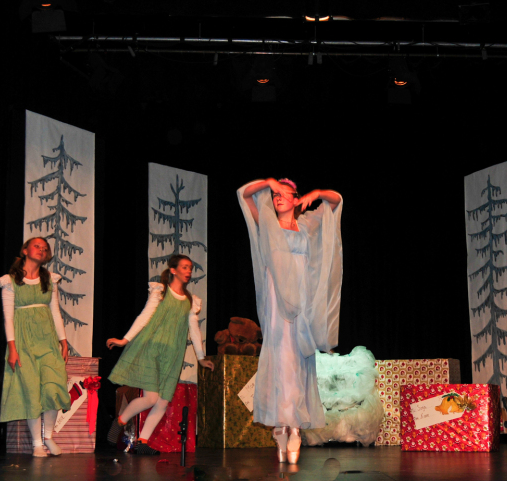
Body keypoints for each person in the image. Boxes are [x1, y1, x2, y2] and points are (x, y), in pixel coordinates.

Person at [237, 178, 342, 464]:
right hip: (277, 301)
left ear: (296, 200)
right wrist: (269, 182)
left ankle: (292, 426)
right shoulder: (267, 223)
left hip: (303, 301)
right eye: (275, 194)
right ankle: (284, 424)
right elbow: (244, 194)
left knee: (299, 360)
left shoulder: (306, 224)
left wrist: (317, 193)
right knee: (282, 359)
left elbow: (335, 201)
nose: (277, 197)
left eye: (284, 194)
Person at [106, 255, 214, 454]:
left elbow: (194, 329)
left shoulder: (190, 301)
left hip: (173, 356)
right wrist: (124, 340)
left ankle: (143, 442)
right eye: (184, 267)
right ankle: (120, 421)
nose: (188, 271)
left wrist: (201, 358)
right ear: (173, 270)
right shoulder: (161, 292)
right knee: (151, 398)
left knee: (163, 401)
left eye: (190, 268)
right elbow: (144, 316)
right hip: (152, 349)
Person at [0, 237, 71, 457]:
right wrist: (12, 348)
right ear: (25, 250)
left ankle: (48, 437)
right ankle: (37, 444)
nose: (41, 250)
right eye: (37, 246)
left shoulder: (49, 279)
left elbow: (55, 312)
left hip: (47, 339)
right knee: (31, 390)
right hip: (23, 341)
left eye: (45, 248)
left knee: (52, 387)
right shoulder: (10, 281)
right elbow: (8, 318)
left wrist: (63, 340)